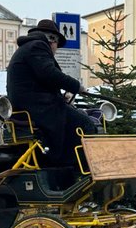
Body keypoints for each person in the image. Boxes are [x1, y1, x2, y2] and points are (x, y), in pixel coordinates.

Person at [6, 18, 96, 165]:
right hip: (38, 108)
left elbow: (38, 82)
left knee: (74, 119)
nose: (56, 50)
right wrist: (76, 86)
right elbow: (49, 73)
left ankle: (65, 166)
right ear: (52, 40)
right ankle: (78, 171)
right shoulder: (38, 46)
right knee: (85, 123)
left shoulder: (27, 48)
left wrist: (61, 97)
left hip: (30, 106)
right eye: (57, 45)